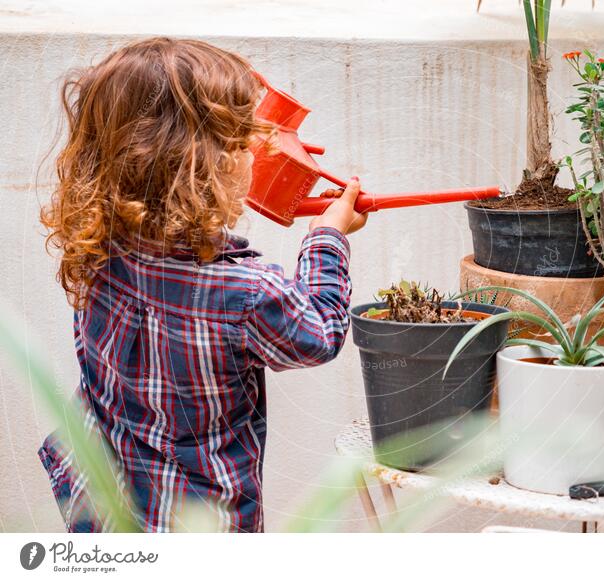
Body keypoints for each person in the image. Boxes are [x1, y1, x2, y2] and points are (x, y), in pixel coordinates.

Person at [38, 37, 366, 532]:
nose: (255, 155)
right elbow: (318, 332)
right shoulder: (244, 293)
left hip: (100, 503)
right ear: (202, 168)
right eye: (242, 144)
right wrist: (327, 236)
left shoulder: (98, 238)